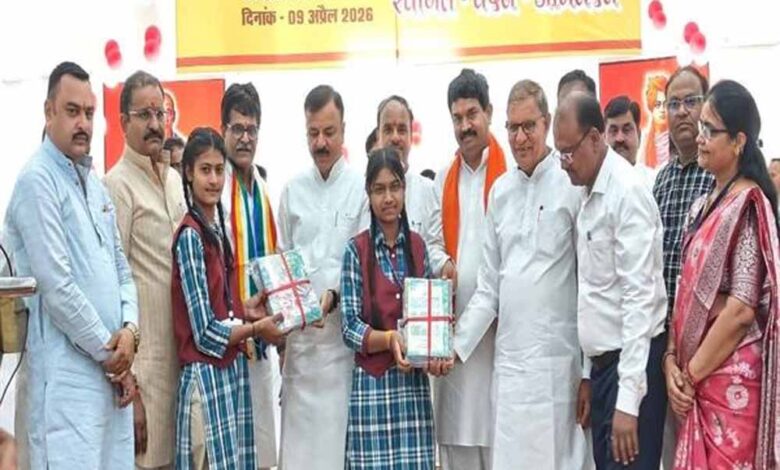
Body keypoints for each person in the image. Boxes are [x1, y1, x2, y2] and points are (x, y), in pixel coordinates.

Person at [3, 61, 138, 469]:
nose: (83, 124)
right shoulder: (37, 180)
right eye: (72, 111)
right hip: (65, 383)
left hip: (108, 379)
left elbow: (121, 268)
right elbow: (57, 286)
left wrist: (130, 331)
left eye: (89, 113)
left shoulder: (94, 184)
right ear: (49, 112)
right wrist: (111, 355)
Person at [455, 79, 591, 469]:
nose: (520, 138)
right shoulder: (500, 192)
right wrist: (454, 347)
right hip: (511, 370)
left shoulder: (571, 184)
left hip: (558, 369)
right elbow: (488, 290)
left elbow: (588, 283)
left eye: (529, 126)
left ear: (547, 122)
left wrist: (587, 373)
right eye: (513, 127)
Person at [665, 80, 780, 469]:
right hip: (693, 382)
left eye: (710, 130)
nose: (699, 138)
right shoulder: (701, 206)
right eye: (701, 127)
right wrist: (670, 361)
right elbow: (683, 292)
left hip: (729, 388)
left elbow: (741, 310)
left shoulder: (747, 205)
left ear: (738, 142)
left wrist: (690, 375)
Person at [555, 91, 667, 469]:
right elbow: (595, 294)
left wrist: (628, 403)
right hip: (605, 369)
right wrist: (589, 374)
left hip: (632, 369)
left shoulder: (627, 192)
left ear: (594, 138)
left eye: (568, 153)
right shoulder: (587, 192)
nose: (564, 164)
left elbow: (639, 300)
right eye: (559, 154)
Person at [171, 127, 284, 469]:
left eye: (219, 170)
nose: (213, 180)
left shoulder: (217, 229)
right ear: (188, 173)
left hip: (229, 376)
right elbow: (205, 333)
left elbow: (223, 309)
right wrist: (256, 329)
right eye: (205, 170)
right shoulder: (190, 236)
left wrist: (247, 309)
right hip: (205, 382)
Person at [340, 148, 452, 468]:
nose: (388, 198)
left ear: (404, 189)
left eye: (394, 187)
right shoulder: (356, 250)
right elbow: (349, 327)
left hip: (412, 390)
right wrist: (390, 339)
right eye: (379, 189)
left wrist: (437, 353)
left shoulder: (418, 246)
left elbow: (431, 318)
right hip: (372, 390)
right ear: (368, 194)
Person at [276, 85, 369, 470]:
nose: (321, 142)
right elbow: (282, 260)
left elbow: (363, 266)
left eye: (329, 132)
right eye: (313, 133)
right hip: (300, 353)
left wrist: (334, 297)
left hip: (342, 352)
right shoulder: (291, 191)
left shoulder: (361, 189)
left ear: (344, 130)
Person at [103, 70, 186, 470]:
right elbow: (110, 288)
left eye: (160, 113)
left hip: (182, 370)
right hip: (145, 378)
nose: (155, 124)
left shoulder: (174, 181)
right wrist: (129, 385)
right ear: (123, 122)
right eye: (144, 115)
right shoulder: (115, 187)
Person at [428, 68, 507, 470]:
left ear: (489, 112)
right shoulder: (444, 178)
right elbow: (431, 241)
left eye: (472, 114)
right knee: (458, 448)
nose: (465, 126)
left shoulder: (510, 177)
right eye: (457, 118)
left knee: (500, 447)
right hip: (455, 346)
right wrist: (442, 262)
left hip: (498, 342)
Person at [651, 66, 713, 469]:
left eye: (691, 101)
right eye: (673, 104)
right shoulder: (660, 182)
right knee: (670, 451)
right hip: (663, 339)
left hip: (709, 341)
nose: (682, 112)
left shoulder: (719, 177)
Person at [216, 82, 279, 470]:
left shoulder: (263, 189)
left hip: (260, 341)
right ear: (222, 129)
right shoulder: (214, 189)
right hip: (226, 342)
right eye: (237, 128)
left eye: (251, 129)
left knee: (260, 453)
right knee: (229, 455)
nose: (245, 138)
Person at [376, 95, 436, 237]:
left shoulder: (430, 192)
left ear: (411, 136)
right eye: (388, 130)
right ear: (378, 136)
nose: (395, 138)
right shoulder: (363, 193)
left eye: (402, 130)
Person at [604, 95, 656, 189]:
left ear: (639, 136)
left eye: (626, 130)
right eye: (614, 131)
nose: (620, 138)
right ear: (604, 138)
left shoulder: (654, 183)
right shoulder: (594, 184)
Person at [640, 75, 670, 168]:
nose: (662, 109)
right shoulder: (644, 139)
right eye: (657, 105)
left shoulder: (677, 138)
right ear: (651, 106)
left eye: (665, 104)